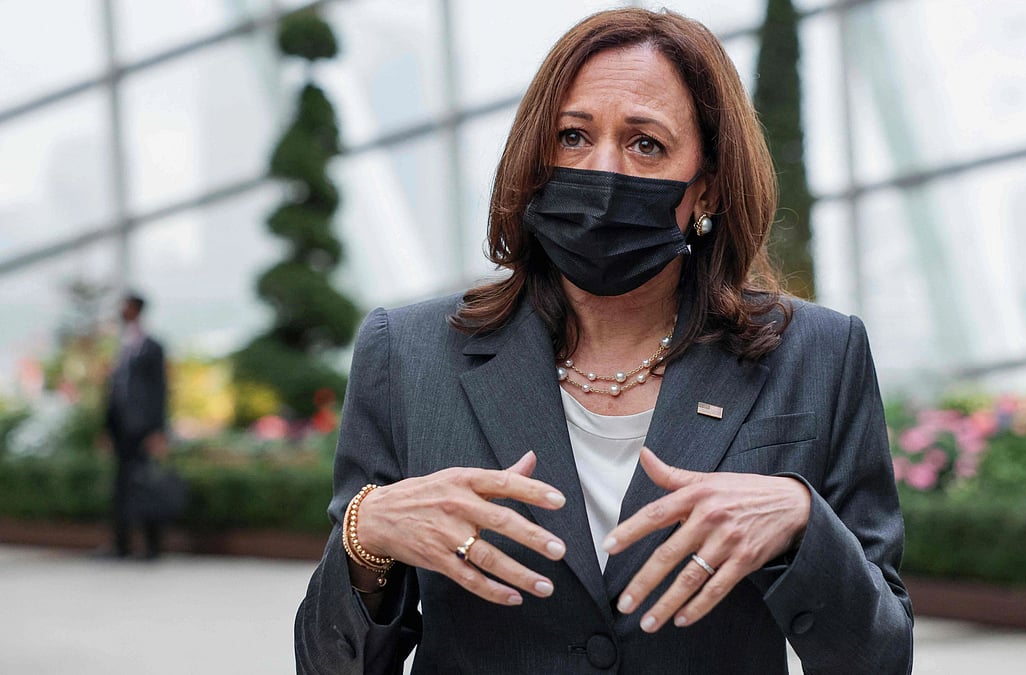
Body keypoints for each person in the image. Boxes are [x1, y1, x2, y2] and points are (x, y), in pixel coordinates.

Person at [296, 8, 912, 673]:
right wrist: (366, 537)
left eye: (646, 143)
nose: (602, 169)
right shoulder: (408, 354)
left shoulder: (818, 355)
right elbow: (328, 663)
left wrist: (801, 521)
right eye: (573, 136)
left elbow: (881, 656)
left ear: (706, 189)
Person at [103, 292, 169, 559]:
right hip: (121, 430)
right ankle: (122, 545)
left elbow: (160, 390)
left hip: (143, 429)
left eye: (126, 306)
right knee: (121, 487)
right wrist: (107, 428)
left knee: (146, 484)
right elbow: (114, 391)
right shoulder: (121, 343)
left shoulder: (152, 346)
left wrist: (158, 430)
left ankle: (152, 546)